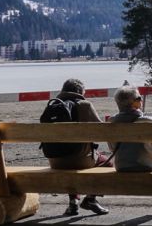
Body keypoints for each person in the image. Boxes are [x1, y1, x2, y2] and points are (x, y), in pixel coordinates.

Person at [45, 78, 109, 216]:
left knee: (71, 156)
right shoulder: (84, 105)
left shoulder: (52, 105)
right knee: (108, 163)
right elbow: (102, 131)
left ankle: (73, 202)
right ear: (80, 91)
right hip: (80, 160)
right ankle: (90, 199)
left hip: (55, 161)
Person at [108, 85, 152, 208]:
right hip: (148, 165)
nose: (141, 100)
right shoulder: (147, 121)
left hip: (122, 165)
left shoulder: (112, 122)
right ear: (136, 103)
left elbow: (112, 148)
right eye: (139, 98)